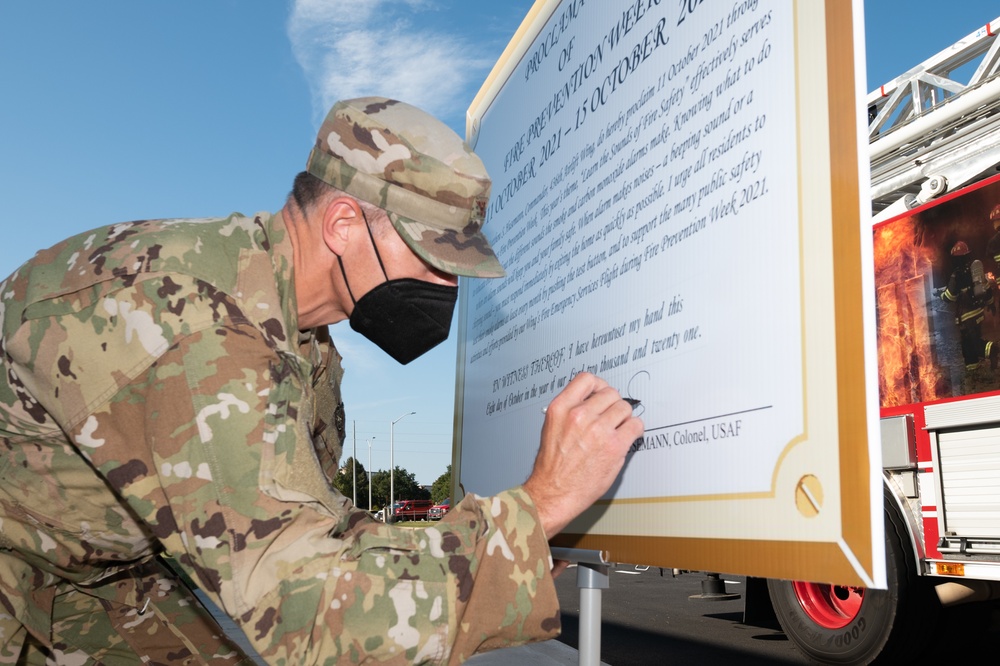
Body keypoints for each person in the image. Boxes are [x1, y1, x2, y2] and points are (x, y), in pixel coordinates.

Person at [0, 97, 644, 664]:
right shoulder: (199, 328)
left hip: (103, 571)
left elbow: (323, 532)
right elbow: (299, 606)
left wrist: (499, 545)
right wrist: (543, 505)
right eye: (433, 258)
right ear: (342, 224)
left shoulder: (304, 340)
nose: (449, 286)